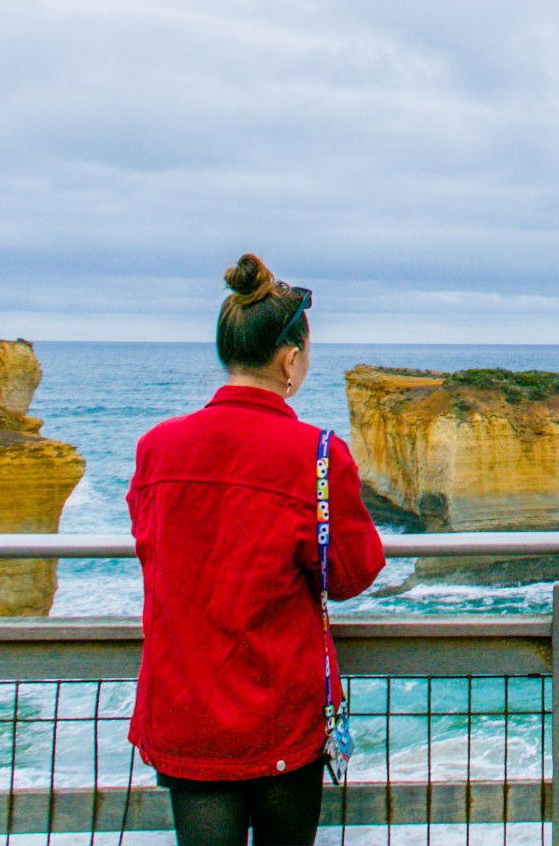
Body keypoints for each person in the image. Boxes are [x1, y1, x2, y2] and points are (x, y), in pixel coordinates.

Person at [128, 254, 386, 846]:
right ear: (289, 359)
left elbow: (154, 546)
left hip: (185, 705)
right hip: (279, 716)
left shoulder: (155, 449)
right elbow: (351, 573)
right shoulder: (317, 455)